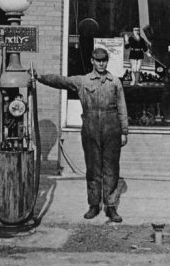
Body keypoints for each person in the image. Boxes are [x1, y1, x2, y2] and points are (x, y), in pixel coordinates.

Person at [30, 47, 128, 222]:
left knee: (112, 168)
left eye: (104, 60)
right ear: (92, 61)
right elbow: (60, 81)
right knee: (93, 168)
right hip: (90, 127)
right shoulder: (83, 81)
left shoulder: (115, 82)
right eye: (98, 60)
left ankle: (111, 206)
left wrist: (124, 132)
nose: (101, 63)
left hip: (112, 127)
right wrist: (40, 77)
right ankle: (93, 205)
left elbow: (122, 107)